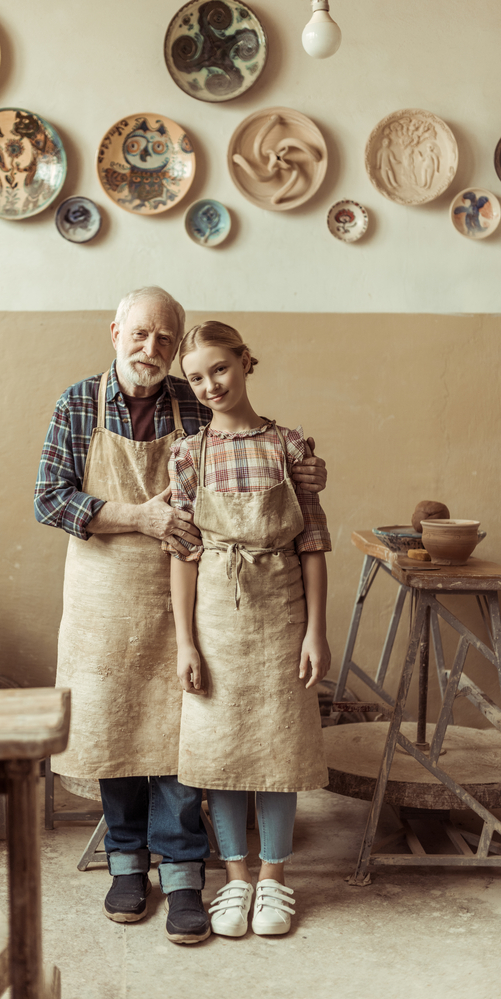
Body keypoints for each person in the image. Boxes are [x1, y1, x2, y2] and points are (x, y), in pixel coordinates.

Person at [34, 290, 328, 944]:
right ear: (114, 331)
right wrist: (136, 515)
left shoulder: (192, 401)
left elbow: (254, 454)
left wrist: (307, 470)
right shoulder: (77, 402)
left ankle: (184, 872)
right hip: (104, 592)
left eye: (164, 340)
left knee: (178, 731)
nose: (152, 350)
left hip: (189, 594)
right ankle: (127, 863)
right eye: (140, 334)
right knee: (114, 726)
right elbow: (49, 499)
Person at [168, 320, 331, 939]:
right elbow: (182, 554)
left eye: (220, 369)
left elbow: (312, 544)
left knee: (279, 746)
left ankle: (274, 880)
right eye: (197, 377)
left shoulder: (291, 447)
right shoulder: (189, 453)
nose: (210, 385)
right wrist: (186, 641)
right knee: (222, 751)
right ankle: (235, 879)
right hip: (214, 618)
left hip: (282, 613)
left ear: (245, 361)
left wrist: (316, 631)